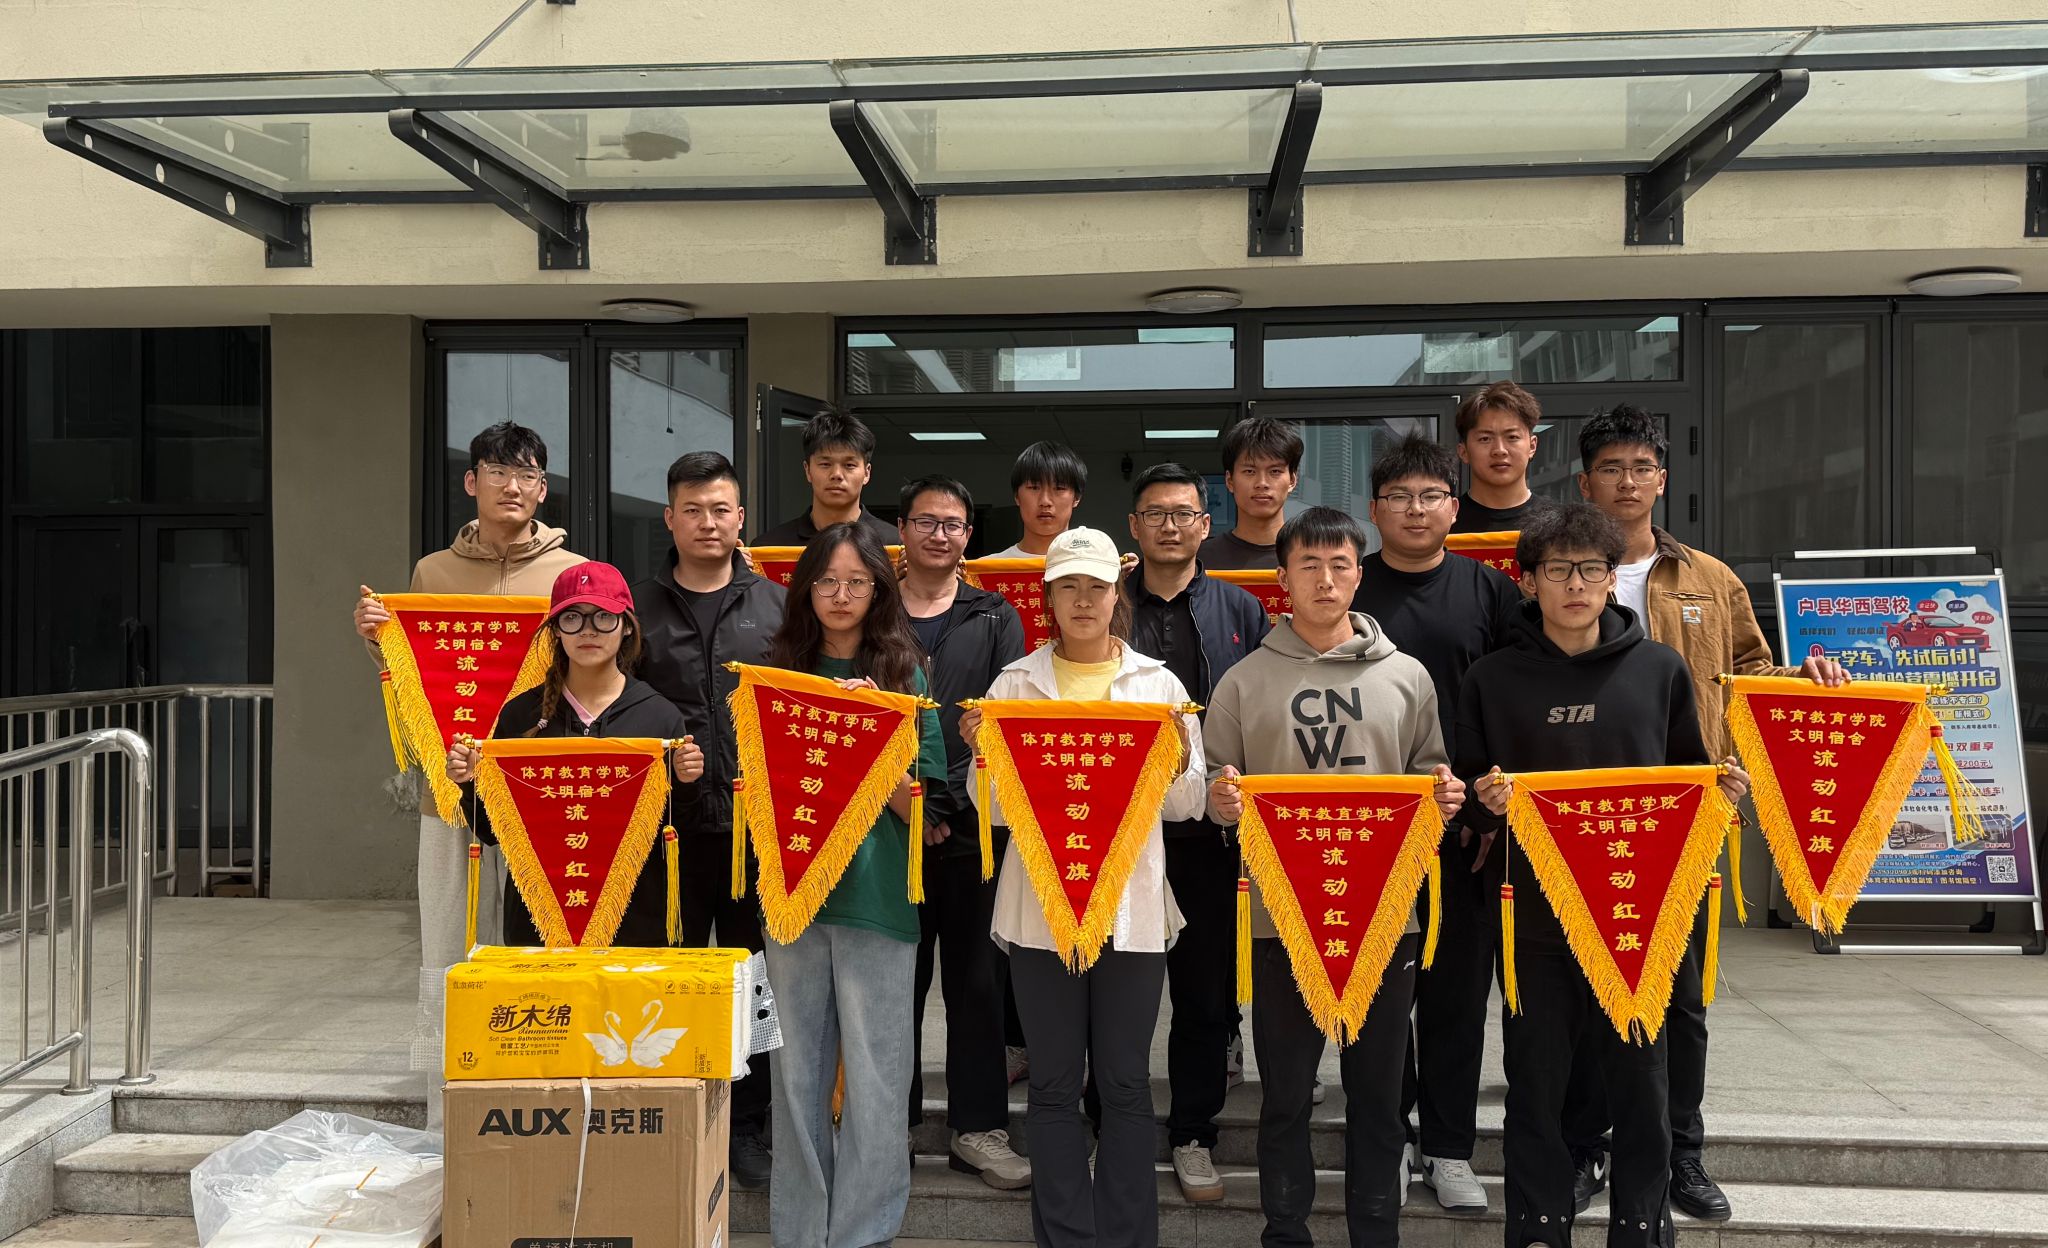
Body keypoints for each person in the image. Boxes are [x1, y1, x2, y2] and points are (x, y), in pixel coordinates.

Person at [1567, 406, 1845, 1222]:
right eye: (1611, 468)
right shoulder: (1564, 572)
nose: (1627, 481)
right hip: (1583, 819)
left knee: (1682, 998)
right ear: (1585, 483)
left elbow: (1750, 674)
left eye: (1640, 467)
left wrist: (1806, 676)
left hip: (1688, 817)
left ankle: (1682, 1154)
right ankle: (1585, 1148)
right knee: (1587, 991)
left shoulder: (1709, 579)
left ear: (1662, 479)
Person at [1457, 503, 1749, 1248]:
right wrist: (1486, 805)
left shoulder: (1658, 670)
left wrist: (1722, 791)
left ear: (1612, 579)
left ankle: (1642, 1227)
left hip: (1636, 911)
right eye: (1558, 570)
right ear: (1528, 581)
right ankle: (1537, 1227)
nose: (1576, 585)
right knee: (1535, 1079)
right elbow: (1466, 802)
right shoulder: (1492, 678)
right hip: (1535, 913)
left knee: (1642, 1077)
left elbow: (1688, 779)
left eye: (1592, 569)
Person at [1207, 506, 1466, 1248]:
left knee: (1378, 1096)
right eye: (1309, 565)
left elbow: (1429, 777)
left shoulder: (1407, 676)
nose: (1325, 579)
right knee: (1286, 1093)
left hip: (1385, 914)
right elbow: (1216, 783)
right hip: (1280, 917)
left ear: (1359, 575)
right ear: (1282, 578)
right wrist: (1222, 804)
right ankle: (1284, 1232)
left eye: (1340, 565)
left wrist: (1444, 797)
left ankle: (1375, 1234)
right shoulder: (1243, 681)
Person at [965, 527, 1206, 1248]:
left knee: (1126, 1082)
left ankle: (1127, 1237)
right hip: (1041, 909)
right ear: (1047, 597)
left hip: (1131, 910)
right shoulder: (1015, 685)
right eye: (1067, 586)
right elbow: (993, 812)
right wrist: (984, 756)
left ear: (1115, 594)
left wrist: (1179, 760)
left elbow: (1188, 805)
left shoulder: (1158, 685)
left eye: (1096, 587)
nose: (1082, 601)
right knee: (1052, 1082)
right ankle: (1066, 1236)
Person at [351, 420, 583, 1128]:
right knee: (447, 939)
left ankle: (537, 1087)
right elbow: (413, 675)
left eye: (527, 474)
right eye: (498, 471)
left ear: (543, 488)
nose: (513, 486)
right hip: (449, 794)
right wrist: (378, 640)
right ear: (471, 481)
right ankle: (447, 1102)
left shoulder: (571, 574)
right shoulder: (432, 573)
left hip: (540, 790)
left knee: (539, 935)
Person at [760, 524, 947, 1248]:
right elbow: (758, 786)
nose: (841, 596)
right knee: (795, 1078)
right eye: (828, 582)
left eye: (857, 582)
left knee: (878, 1078)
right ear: (806, 589)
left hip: (877, 900)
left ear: (879, 589)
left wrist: (874, 734)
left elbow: (928, 812)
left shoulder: (906, 676)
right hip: (793, 898)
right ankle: (802, 1231)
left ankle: (864, 1233)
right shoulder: (777, 673)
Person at [1353, 435, 1521, 1214]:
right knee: (1378, 996)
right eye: (1399, 497)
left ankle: (1449, 1147)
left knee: (1455, 995)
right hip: (1368, 832)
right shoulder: (1350, 586)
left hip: (1467, 834)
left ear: (1455, 508)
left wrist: (1489, 805)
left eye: (1430, 497)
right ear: (1374, 509)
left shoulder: (1491, 592)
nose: (1415, 511)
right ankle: (1387, 1138)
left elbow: (1514, 698)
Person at [629, 450, 786, 1190]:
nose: (707, 523)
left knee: (755, 981)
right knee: (675, 974)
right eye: (692, 510)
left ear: (740, 517)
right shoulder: (636, 609)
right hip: (669, 832)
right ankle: (679, 1108)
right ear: (670, 519)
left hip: (758, 833)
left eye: (720, 509)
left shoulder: (779, 606)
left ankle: (748, 1124)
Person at [1120, 463, 1269, 1204]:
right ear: (1134, 526)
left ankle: (1193, 1134)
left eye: (1184, 513)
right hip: (1121, 832)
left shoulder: (1241, 607)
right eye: (1156, 513)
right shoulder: (1107, 602)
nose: (1171, 526)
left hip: (1211, 834)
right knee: (1116, 991)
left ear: (1206, 526)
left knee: (1205, 994)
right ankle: (1111, 1126)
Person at [445, 561, 706, 944]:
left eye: (603, 616)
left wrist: (686, 782)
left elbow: (680, 830)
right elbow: (491, 831)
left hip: (633, 921)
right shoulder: (522, 714)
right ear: (555, 630)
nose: (588, 630)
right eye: (572, 618)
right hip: (537, 922)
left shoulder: (659, 715)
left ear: (627, 626)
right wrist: (469, 782)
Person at [896, 475, 1032, 1190]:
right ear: (902, 530)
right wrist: (913, 804)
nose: (939, 534)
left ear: (968, 537)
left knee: (978, 984)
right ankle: (889, 1125)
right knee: (895, 983)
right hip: (890, 826)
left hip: (976, 829)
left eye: (953, 524)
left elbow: (1000, 718)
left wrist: (943, 804)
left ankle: (977, 1128)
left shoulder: (995, 616)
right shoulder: (874, 611)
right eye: (926, 521)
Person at [757, 410, 900, 548]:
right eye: (825, 464)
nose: (836, 474)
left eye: (849, 465)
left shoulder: (894, 544)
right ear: (808, 470)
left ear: (867, 473)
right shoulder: (770, 546)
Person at [1201, 416, 1303, 570]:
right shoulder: (1200, 561)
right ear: (1230, 481)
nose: (1262, 483)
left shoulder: (1312, 558)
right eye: (1249, 471)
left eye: (1275, 471)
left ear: (1292, 480)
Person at [1452, 381, 1554, 534]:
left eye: (1512, 437)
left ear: (1532, 446)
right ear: (1463, 452)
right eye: (1485, 439)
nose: (1500, 450)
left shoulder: (1559, 524)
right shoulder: (1444, 524)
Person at [988, 441, 1088, 559]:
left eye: (1059, 488)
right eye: (1034, 487)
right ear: (1016, 496)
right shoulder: (989, 567)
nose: (1045, 502)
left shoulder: (1095, 567)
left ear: (1077, 497)